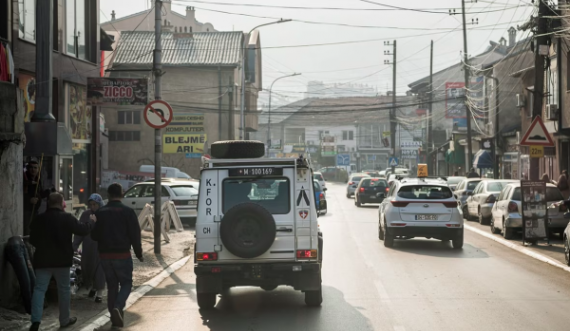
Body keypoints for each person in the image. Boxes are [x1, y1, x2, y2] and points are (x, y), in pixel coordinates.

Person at [29, 193, 96, 331]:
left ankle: (35, 321)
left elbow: (32, 240)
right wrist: (92, 222)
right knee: (64, 290)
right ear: (61, 203)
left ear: (48, 203)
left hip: (43, 261)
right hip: (62, 261)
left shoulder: (39, 219)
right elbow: (82, 230)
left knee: (39, 289)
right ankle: (64, 320)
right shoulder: (67, 218)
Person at [91, 183, 143, 328]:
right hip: (122, 255)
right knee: (126, 283)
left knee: (112, 286)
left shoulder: (100, 212)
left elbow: (94, 236)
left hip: (105, 256)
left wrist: (93, 224)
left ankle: (115, 319)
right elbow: (135, 235)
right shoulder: (128, 212)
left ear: (108, 195)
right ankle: (118, 307)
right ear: (122, 194)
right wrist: (139, 254)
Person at [72, 194, 106, 303]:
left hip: (101, 246)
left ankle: (99, 293)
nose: (93, 207)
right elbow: (81, 231)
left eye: (95, 204)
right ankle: (94, 287)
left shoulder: (105, 214)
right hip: (88, 246)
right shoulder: (85, 214)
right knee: (88, 268)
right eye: (91, 204)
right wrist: (75, 245)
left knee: (100, 269)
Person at [23, 158, 50, 235]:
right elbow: (20, 194)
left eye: (35, 168)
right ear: (28, 169)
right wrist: (29, 200)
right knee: (27, 229)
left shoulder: (38, 179)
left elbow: (39, 193)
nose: (33, 170)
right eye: (31, 167)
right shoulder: (24, 179)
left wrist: (47, 192)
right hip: (27, 209)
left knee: (35, 229)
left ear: (38, 169)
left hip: (35, 209)